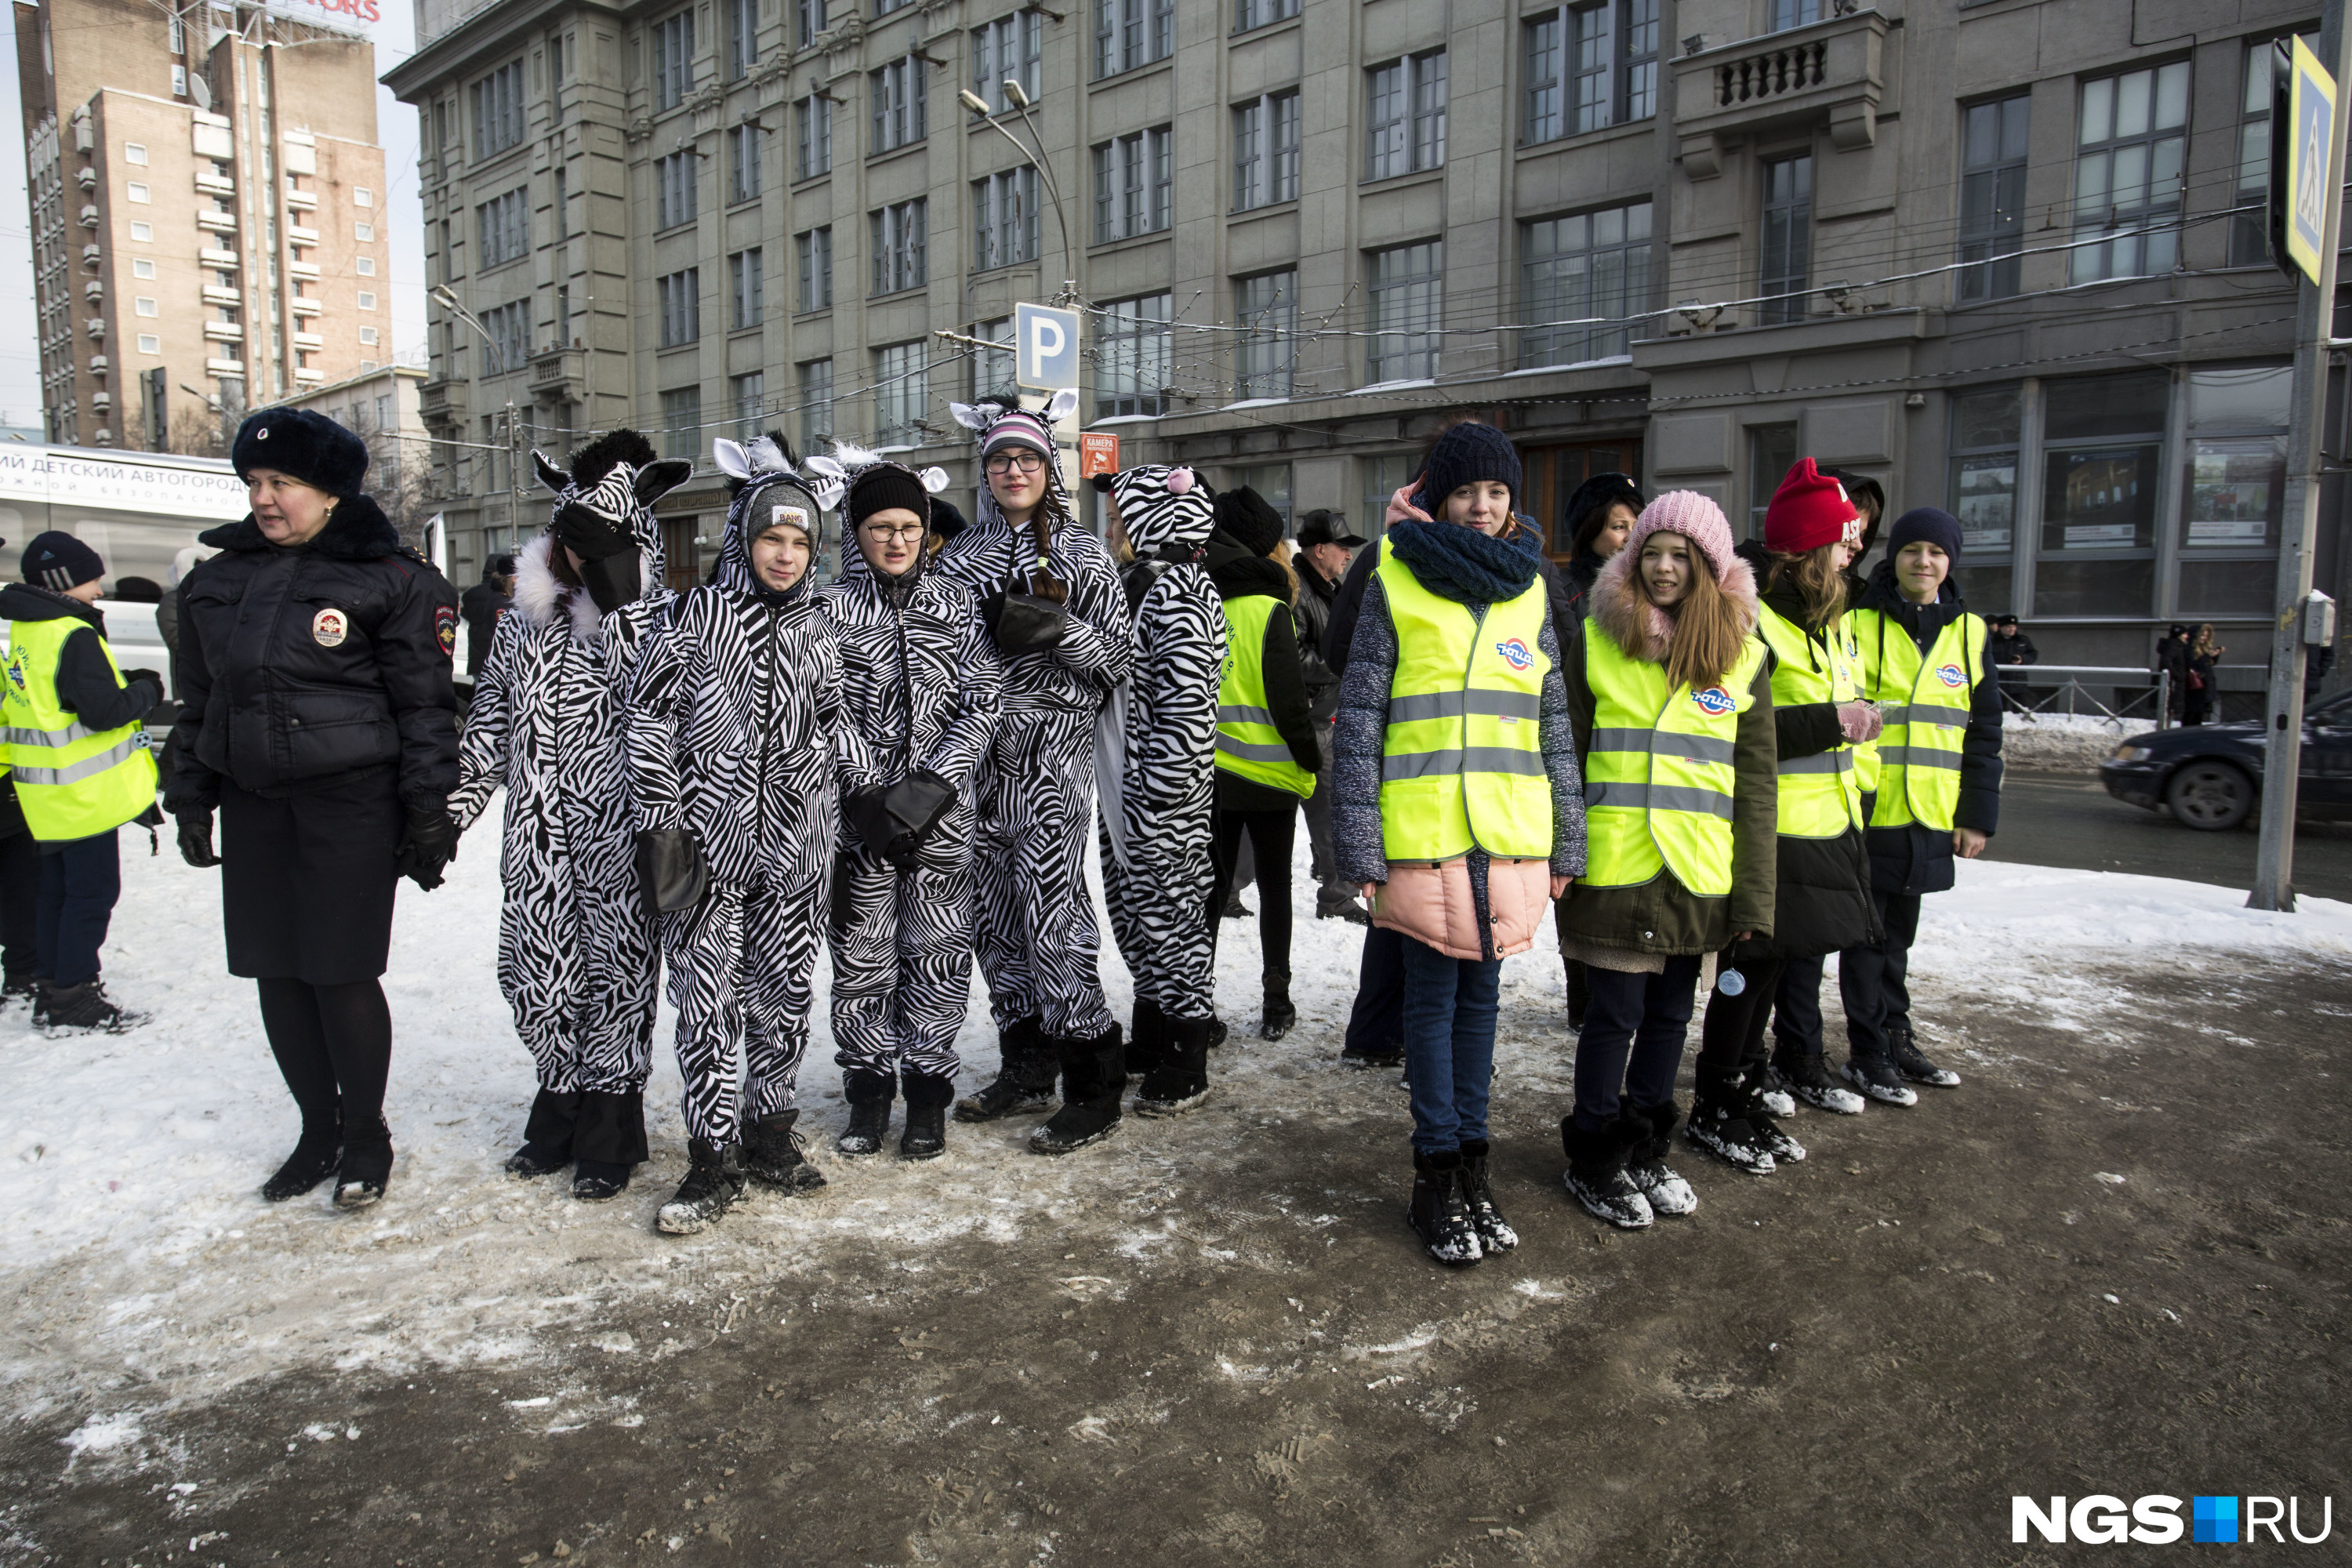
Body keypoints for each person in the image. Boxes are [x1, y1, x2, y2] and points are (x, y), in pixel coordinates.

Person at [167, 408, 462, 1208]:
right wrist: (191, 793)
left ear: (330, 492)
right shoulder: (215, 580)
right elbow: (199, 699)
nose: (263, 498)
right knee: (277, 972)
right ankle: (316, 1127)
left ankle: (365, 1133)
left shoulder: (393, 580)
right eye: (254, 483)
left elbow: (426, 708)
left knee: (339, 972)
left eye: (281, 483)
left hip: (350, 805)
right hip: (255, 800)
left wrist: (429, 810)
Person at [1333, 419, 1584, 1268]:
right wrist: (1359, 848)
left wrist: (1568, 841)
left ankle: (1474, 1163)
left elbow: (1554, 724)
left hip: (1512, 837)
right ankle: (1435, 1171)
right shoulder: (1394, 577)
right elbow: (1361, 719)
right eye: (1468, 491)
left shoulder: (1531, 590)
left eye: (1498, 491)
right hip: (1423, 835)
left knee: (1483, 1005)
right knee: (1432, 1004)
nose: (1483, 506)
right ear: (1438, 495)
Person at [628, 435, 871, 1234]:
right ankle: (709, 1156)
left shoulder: (819, 628)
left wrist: (871, 796)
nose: (786, 553)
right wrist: (666, 820)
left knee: (783, 996)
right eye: (773, 536)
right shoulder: (696, 616)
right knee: (706, 1001)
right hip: (708, 850)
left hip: (798, 847)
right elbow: (648, 721)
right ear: (743, 536)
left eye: (801, 541)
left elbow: (836, 723)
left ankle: (769, 1133)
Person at [448, 431, 688, 1202]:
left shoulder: (656, 619)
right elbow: (487, 722)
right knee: (533, 978)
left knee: (617, 979)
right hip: (538, 840)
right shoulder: (523, 626)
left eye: (602, 541)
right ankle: (559, 1091)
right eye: (573, 539)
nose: (581, 557)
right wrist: (446, 813)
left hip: (622, 835)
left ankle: (607, 1124)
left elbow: (665, 703)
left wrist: (618, 602)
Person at [1555, 492, 1775, 1229]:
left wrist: (1754, 901)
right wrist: (1564, 850)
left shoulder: (1744, 659)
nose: (1663, 566)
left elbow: (1755, 790)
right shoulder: (1596, 638)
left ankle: (1647, 1150)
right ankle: (1594, 1154)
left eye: (1681, 554)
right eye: (1651, 551)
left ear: (1711, 567)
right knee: (1613, 1017)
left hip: (1697, 872)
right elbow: (1568, 757)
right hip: (1616, 866)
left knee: (1672, 1018)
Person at [933, 392, 1133, 1153]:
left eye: (1027, 458)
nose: (1014, 469)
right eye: (1000, 459)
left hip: (1051, 763)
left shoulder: (1083, 555)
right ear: (984, 472)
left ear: (1049, 468)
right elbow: (936, 658)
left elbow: (1119, 662)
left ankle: (1093, 1082)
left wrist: (1059, 628)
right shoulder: (962, 558)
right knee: (991, 921)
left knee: (1053, 918)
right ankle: (1028, 1062)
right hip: (976, 761)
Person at [1687, 462, 1881, 1175]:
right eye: (1842, 537)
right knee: (1747, 971)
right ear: (1807, 548)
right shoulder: (1755, 619)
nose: (1855, 548)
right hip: (1765, 829)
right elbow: (1736, 727)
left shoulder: (1828, 625)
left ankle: (1742, 1091)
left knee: (1771, 976)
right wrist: (1835, 721)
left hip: (1821, 824)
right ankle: (1715, 1102)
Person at [820, 446, 1001, 1160]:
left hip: (943, 826)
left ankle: (927, 1098)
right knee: (861, 963)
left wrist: (929, 790)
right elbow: (823, 706)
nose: (896, 540)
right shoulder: (828, 611)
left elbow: (983, 699)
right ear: (857, 535)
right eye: (879, 528)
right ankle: (867, 1096)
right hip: (861, 826)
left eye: (907, 527)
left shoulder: (956, 606)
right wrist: (872, 795)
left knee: (937, 960)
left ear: (925, 531)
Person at [1838, 506, 2003, 1102]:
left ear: (1950, 561)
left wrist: (1976, 816)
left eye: (1936, 551)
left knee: (1899, 937)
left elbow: (1984, 733)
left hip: (1931, 813)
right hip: (1869, 807)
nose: (1924, 561)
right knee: (1865, 937)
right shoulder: (1855, 625)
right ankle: (1867, 1049)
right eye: (1912, 550)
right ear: (1895, 556)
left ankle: (1895, 1033)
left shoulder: (1971, 634)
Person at [1091, 462, 1222, 1121]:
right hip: (1124, 792)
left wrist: (1160, 800)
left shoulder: (1183, 595)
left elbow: (1190, 711)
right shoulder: (1141, 586)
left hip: (1158, 800)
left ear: (1153, 519)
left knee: (1172, 922)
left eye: (1120, 517)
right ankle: (1157, 1033)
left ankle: (1188, 1056)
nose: (1113, 528)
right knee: (1140, 921)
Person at [0, 532, 164, 1033]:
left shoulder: (31, 631)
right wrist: (147, 689)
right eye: (94, 577)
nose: (100, 587)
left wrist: (118, 679)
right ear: (68, 580)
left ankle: (51, 986)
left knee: (56, 893)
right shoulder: (74, 633)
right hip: (86, 796)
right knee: (91, 896)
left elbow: (60, 696)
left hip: (47, 798)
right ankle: (74, 995)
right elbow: (102, 712)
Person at [1206, 485, 1323, 1044]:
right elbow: (1288, 701)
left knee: (1210, 889)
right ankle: (1276, 997)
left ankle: (1195, 998)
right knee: (1276, 888)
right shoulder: (1270, 610)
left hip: (1210, 777)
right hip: (1273, 777)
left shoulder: (1202, 603)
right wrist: (1310, 761)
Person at [1291, 508, 1368, 924]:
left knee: (1332, 811)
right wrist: (1339, 664)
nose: (1348, 556)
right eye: (1343, 547)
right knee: (1325, 811)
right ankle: (1230, 888)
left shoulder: (1329, 587)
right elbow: (1293, 656)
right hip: (1303, 722)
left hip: (1322, 717)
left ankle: (1336, 894)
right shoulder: (1298, 590)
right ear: (1320, 549)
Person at [460, 554, 517, 681]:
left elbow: (465, 616)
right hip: (500, 664)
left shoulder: (470, 595)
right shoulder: (503, 599)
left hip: (479, 660)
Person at [2184, 623, 2224, 725]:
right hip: (2194, 688)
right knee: (2191, 715)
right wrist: (2207, 656)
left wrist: (2215, 655)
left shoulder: (2203, 648)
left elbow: (2208, 665)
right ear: (2196, 635)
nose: (2205, 638)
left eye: (2206, 636)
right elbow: (2194, 665)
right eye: (2202, 635)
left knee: (2199, 715)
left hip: (2204, 687)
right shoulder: (2189, 649)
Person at [2155, 624, 2190, 724]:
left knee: (2172, 710)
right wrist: (2177, 675)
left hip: (2174, 684)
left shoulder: (2177, 646)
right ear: (2179, 635)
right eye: (2184, 634)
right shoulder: (2174, 646)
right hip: (2174, 685)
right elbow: (2165, 662)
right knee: (2171, 710)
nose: (2187, 636)